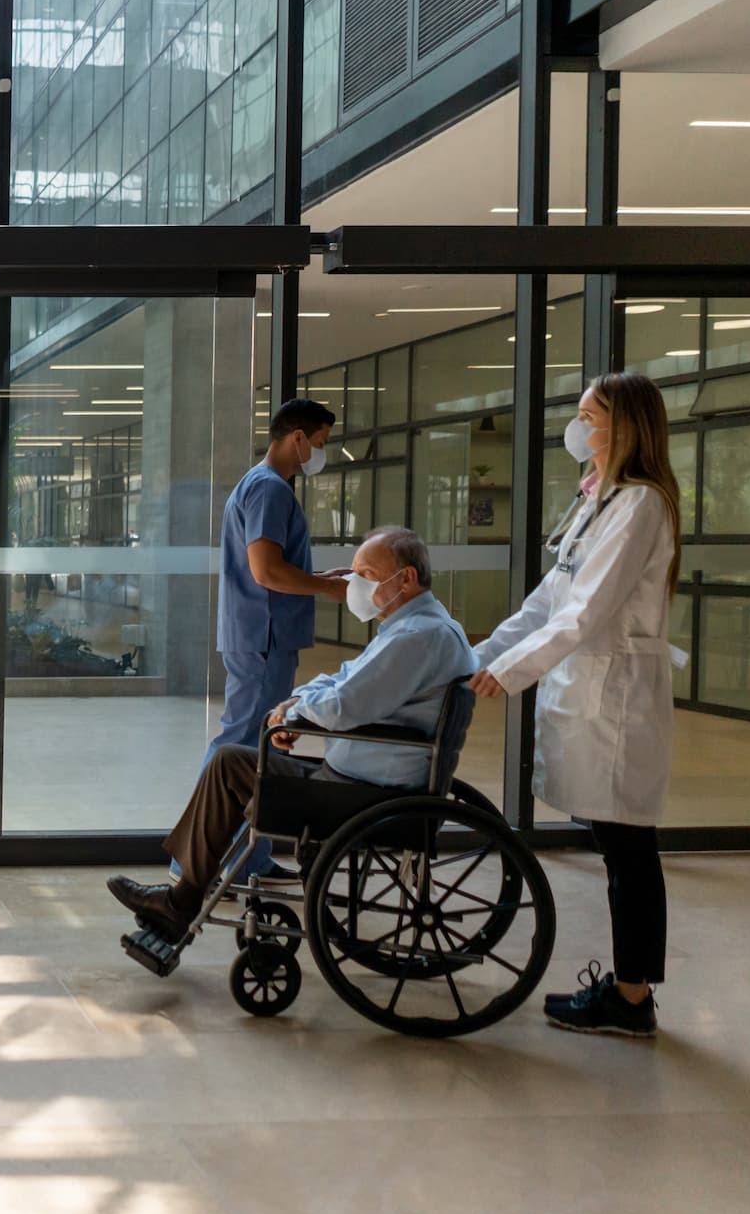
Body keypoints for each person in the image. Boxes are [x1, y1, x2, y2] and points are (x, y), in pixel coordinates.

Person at [108, 526, 475, 937]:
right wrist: (292, 707)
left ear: (405, 579)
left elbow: (343, 705)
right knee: (233, 759)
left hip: (364, 796)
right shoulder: (415, 628)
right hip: (364, 782)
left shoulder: (418, 638)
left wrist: (295, 713)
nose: (353, 585)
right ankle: (183, 896)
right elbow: (341, 680)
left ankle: (181, 900)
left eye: (366, 574)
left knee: (230, 765)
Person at [471, 372, 680, 1038]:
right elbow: (547, 601)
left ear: (622, 427)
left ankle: (631, 995)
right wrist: (478, 654)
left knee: (628, 849)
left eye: (588, 415)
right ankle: (630, 990)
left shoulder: (640, 504)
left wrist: (511, 672)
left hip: (615, 698)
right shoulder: (600, 499)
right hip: (590, 690)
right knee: (618, 844)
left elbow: (587, 613)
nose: (577, 425)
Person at [209, 398, 350, 882]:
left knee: (250, 746)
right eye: (319, 443)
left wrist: (317, 576)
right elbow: (266, 570)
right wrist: (326, 587)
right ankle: (211, 863)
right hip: (262, 637)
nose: (319, 453)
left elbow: (274, 565)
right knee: (244, 748)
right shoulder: (270, 490)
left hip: (256, 633)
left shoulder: (259, 485)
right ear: (296, 438)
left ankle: (247, 860)